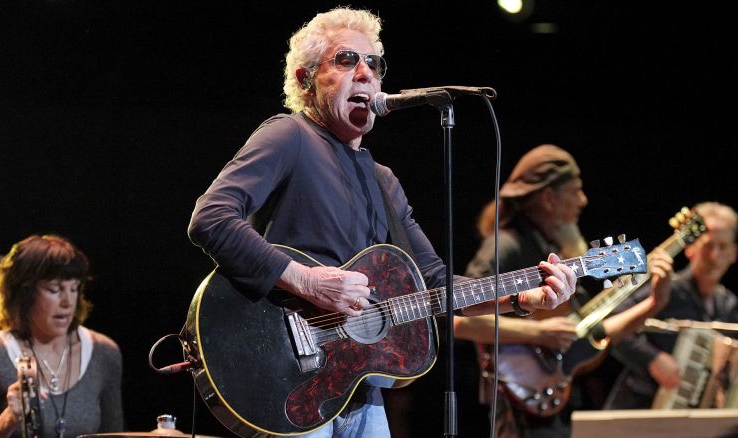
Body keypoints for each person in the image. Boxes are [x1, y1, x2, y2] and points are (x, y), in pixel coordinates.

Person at [186, 8, 578, 438]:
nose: (365, 73)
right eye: (346, 60)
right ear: (305, 80)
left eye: (373, 63)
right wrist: (309, 282)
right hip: (288, 372)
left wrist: (523, 297)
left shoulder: (383, 180)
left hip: (358, 388)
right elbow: (211, 217)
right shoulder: (290, 135)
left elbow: (434, 282)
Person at [452, 144, 673, 438]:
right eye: (576, 190)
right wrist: (537, 334)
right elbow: (459, 321)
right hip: (517, 408)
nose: (583, 200)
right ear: (548, 198)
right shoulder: (507, 244)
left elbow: (586, 334)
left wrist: (654, 303)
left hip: (552, 397)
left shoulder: (551, 249)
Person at [0, 234, 124, 438]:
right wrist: (9, 418)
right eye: (54, 290)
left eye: (74, 289)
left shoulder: (104, 353)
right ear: (25, 294)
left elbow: (115, 434)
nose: (67, 302)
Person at [605, 201, 738, 409]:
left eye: (723, 247)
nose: (715, 256)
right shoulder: (667, 286)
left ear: (733, 253)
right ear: (690, 248)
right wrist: (653, 359)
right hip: (641, 408)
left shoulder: (728, 303)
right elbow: (608, 326)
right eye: (708, 246)